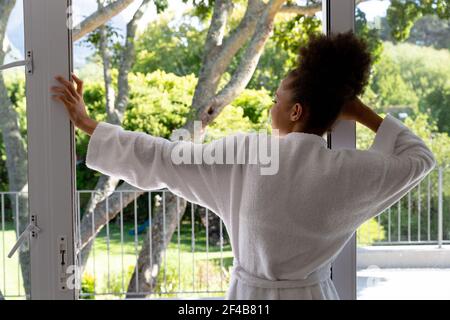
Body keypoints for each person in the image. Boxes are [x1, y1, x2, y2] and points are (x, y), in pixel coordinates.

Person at [50, 32, 436, 300]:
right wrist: (357, 110)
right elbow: (419, 158)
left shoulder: (249, 155)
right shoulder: (348, 173)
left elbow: (165, 159)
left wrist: (89, 125)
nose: (271, 105)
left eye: (276, 98)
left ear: (296, 111)